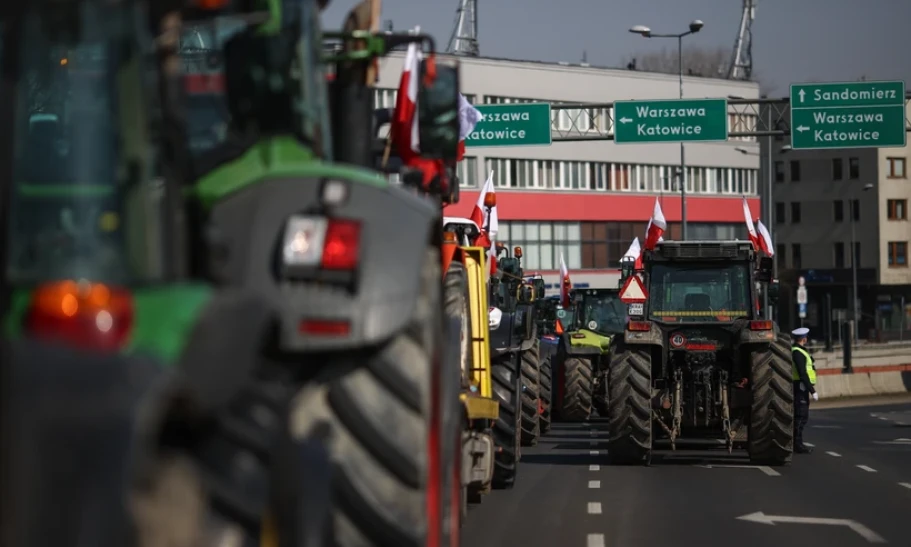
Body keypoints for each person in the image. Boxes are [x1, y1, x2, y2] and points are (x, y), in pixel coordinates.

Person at [791, 327, 817, 454]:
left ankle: (798, 443)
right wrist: (812, 390)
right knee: (800, 417)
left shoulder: (800, 351)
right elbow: (802, 373)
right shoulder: (797, 352)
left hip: (802, 386)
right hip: (800, 386)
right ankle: (797, 444)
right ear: (804, 338)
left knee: (802, 417)